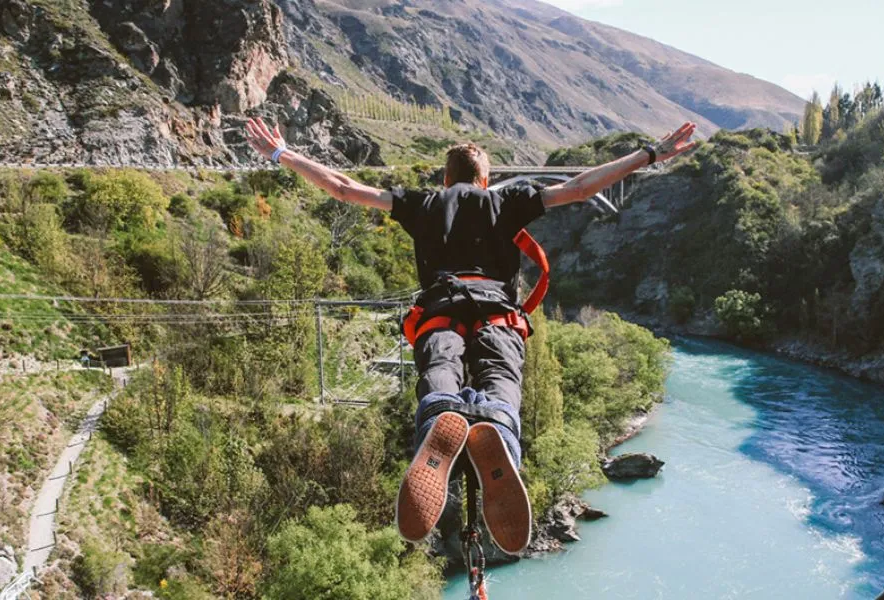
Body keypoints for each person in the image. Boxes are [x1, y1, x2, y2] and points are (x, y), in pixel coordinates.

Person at [244, 117, 698, 554]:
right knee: (500, 376)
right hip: (497, 314)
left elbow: (341, 188)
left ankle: (439, 419)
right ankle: (497, 425)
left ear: (447, 178)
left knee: (440, 369)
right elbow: (581, 188)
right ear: (486, 178)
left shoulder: (422, 203)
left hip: (440, 310)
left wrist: (283, 153)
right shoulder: (507, 200)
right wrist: (650, 153)